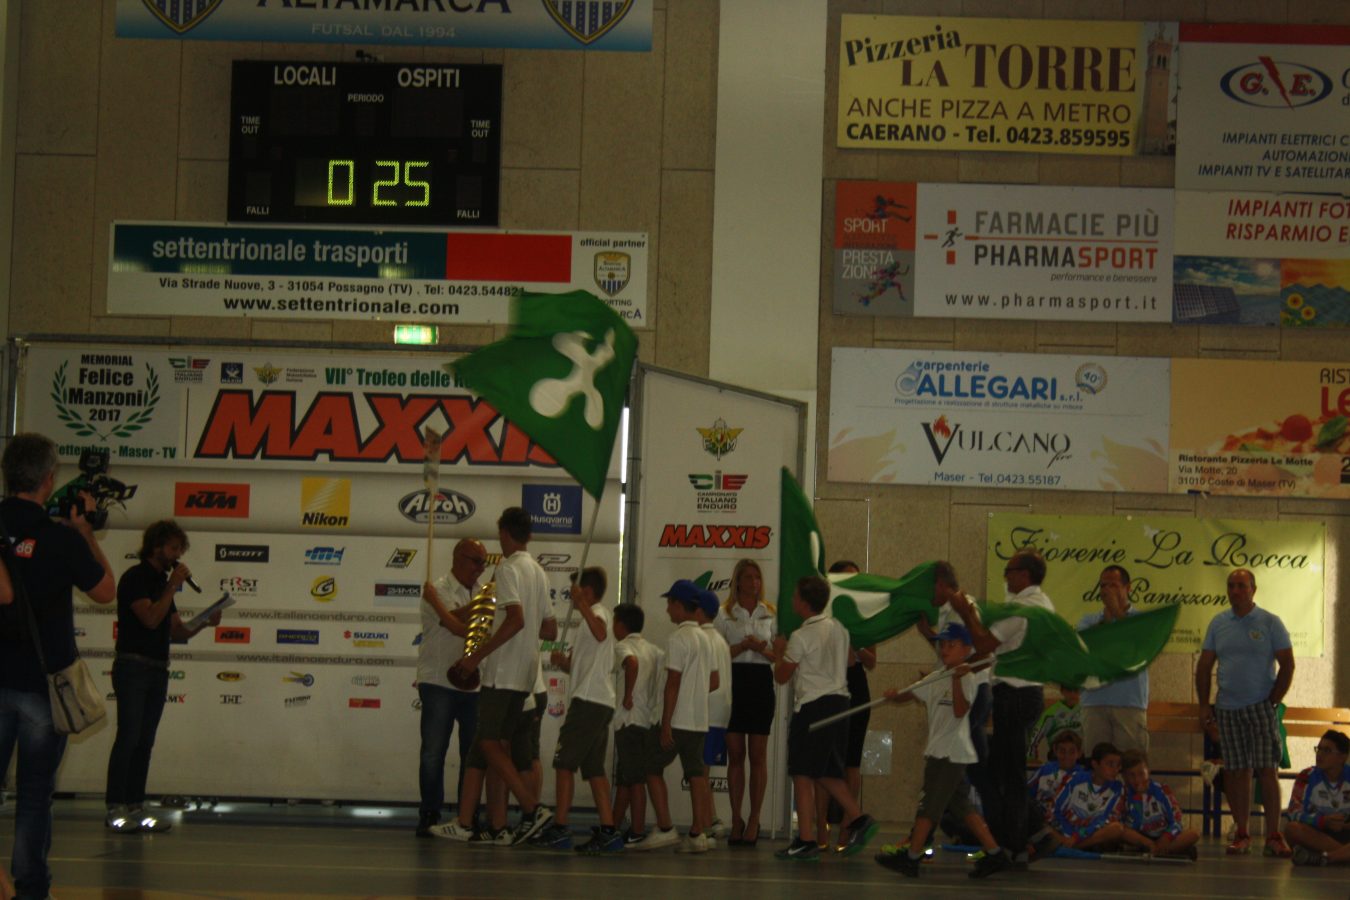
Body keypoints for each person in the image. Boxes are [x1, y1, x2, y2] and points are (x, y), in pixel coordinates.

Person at [0, 434, 115, 900]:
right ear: (49, 480)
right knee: (33, 795)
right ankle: (31, 890)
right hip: (43, 687)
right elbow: (105, 591)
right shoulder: (59, 538)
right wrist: (84, 531)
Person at [433, 507, 555, 845]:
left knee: (488, 743)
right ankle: (493, 824)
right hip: (527, 674)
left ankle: (532, 809)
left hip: (503, 673)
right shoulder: (539, 572)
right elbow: (550, 628)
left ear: (504, 533)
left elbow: (516, 619)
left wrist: (476, 656)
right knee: (493, 746)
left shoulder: (508, 568)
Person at [104, 520, 221, 834]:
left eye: (180, 549)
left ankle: (135, 805)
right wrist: (172, 587)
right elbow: (150, 618)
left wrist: (205, 622)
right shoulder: (136, 578)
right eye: (173, 548)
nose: (178, 555)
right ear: (156, 546)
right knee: (128, 737)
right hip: (133, 667)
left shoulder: (161, 583)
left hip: (157, 668)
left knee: (145, 740)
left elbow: (176, 631)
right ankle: (115, 806)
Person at [874, 622, 1010, 879]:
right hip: (939, 750)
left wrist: (957, 680)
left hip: (950, 753)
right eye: (942, 644)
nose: (944, 649)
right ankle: (995, 853)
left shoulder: (967, 678)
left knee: (929, 806)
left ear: (966, 649)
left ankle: (911, 858)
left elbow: (960, 711)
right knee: (963, 807)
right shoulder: (937, 677)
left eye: (951, 644)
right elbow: (911, 694)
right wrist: (895, 695)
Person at [948, 548, 1054, 863]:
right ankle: (1031, 835)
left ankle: (1016, 845)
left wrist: (966, 611)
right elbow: (996, 653)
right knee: (1002, 770)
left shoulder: (1022, 608)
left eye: (1010, 570)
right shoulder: (1043, 604)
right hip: (1028, 692)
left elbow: (984, 644)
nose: (1006, 576)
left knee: (1008, 775)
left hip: (1015, 693)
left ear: (1025, 574)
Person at [769, 575, 877, 862]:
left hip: (814, 706)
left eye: (795, 596)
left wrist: (779, 653)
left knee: (802, 772)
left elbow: (782, 676)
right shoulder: (839, 628)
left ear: (804, 603)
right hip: (841, 703)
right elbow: (851, 662)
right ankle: (857, 819)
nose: (792, 600)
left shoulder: (801, 636)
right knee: (826, 771)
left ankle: (808, 839)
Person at [1195, 567, 1295, 857]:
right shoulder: (1218, 623)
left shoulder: (1270, 622)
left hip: (1260, 707)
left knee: (1267, 770)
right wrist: (1204, 705)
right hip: (1227, 709)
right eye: (1231, 586)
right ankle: (1242, 833)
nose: (1235, 591)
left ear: (1253, 590)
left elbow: (1288, 665)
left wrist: (1272, 701)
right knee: (1236, 772)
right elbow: (1204, 666)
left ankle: (1274, 835)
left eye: (1241, 586)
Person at [531, 567, 621, 853]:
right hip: (598, 701)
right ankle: (609, 831)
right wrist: (564, 663)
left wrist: (581, 604)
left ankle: (560, 828)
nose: (571, 596)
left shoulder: (598, 613)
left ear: (587, 591)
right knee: (594, 769)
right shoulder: (589, 620)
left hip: (589, 702)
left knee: (564, 763)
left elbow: (601, 633)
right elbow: (585, 663)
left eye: (576, 591)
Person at [416, 538, 489, 837]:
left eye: (484, 563)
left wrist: (449, 609)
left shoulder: (476, 593)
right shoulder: (438, 589)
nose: (481, 568)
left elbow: (461, 623)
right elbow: (458, 627)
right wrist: (479, 606)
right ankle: (429, 813)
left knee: (473, 755)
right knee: (433, 752)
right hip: (438, 682)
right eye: (476, 561)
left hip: (474, 684)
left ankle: (466, 816)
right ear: (459, 558)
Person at [608, 604, 678, 851]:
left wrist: (628, 695)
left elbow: (632, 663)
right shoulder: (654, 649)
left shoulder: (622, 646)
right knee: (627, 777)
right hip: (646, 719)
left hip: (628, 720)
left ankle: (637, 831)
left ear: (620, 625)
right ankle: (612, 826)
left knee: (635, 779)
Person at [715, 558, 774, 846]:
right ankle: (736, 818)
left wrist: (761, 649)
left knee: (758, 755)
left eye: (757, 577)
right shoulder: (724, 612)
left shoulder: (770, 612)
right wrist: (741, 646)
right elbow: (716, 654)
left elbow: (781, 656)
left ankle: (754, 818)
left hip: (761, 683)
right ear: (737, 581)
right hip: (734, 682)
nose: (754, 582)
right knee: (736, 754)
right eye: (748, 577)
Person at [818, 559, 876, 852]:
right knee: (823, 761)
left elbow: (872, 661)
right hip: (828, 685)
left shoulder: (865, 614)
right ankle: (819, 828)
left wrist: (856, 645)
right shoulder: (824, 612)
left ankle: (847, 827)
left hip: (856, 686)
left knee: (851, 761)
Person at [656, 579, 716, 853]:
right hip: (699, 719)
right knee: (697, 774)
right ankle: (697, 832)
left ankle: (665, 828)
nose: (667, 609)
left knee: (648, 766)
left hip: (679, 719)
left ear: (679, 605)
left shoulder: (678, 638)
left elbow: (673, 683)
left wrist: (666, 723)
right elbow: (713, 681)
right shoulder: (706, 638)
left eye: (670, 603)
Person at [1077, 566, 1149, 755]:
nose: (1106, 590)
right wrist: (1108, 622)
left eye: (1113, 585)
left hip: (1129, 703)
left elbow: (1135, 650)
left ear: (1128, 588)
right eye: (1103, 586)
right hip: (1094, 702)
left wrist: (1117, 612)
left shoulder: (1143, 620)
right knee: (1095, 763)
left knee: (1131, 763)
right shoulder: (1087, 621)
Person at [1282, 729, 1350, 867]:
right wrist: (1322, 821)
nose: (1320, 754)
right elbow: (1293, 812)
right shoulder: (1306, 776)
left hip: (1345, 834)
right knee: (1292, 829)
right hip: (1317, 834)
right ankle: (1342, 855)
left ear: (1342, 757)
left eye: (1327, 750)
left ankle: (1325, 858)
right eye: (1318, 749)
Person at [695, 588, 732, 841]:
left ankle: (705, 826)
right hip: (719, 713)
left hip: (705, 712)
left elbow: (710, 680)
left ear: (698, 611)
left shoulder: (702, 638)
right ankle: (712, 819)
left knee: (699, 772)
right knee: (702, 770)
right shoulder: (719, 639)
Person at [1048, 742, 1128, 852]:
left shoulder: (1118, 788)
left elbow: (1105, 819)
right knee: (1044, 825)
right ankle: (1068, 845)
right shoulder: (1075, 779)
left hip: (1091, 835)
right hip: (1066, 830)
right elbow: (1055, 809)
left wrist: (1077, 837)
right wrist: (1068, 834)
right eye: (1110, 764)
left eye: (1118, 766)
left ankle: (1074, 848)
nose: (1115, 770)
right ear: (1095, 764)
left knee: (1116, 828)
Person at [1120, 749, 1200, 859]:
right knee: (1120, 830)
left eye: (1141, 774)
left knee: (1194, 834)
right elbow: (1121, 825)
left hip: (1163, 836)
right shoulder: (1123, 794)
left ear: (1148, 771)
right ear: (1124, 777)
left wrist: (1167, 837)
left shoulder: (1162, 791)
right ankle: (1166, 851)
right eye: (1131, 775)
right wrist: (1146, 842)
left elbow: (1176, 821)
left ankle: (1156, 850)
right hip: (1139, 839)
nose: (1137, 780)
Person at [1027, 730, 1085, 825]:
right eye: (1062, 751)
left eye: (1071, 752)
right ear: (1055, 750)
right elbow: (1027, 792)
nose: (1066, 756)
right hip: (1037, 817)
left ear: (1079, 753)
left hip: (1062, 821)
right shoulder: (1045, 769)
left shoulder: (1082, 777)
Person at [1027, 687, 1082, 763]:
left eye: (1076, 690)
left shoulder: (1084, 711)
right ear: (1062, 691)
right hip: (1057, 757)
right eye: (1069, 690)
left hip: (1079, 757)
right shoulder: (1051, 713)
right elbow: (1034, 739)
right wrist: (1031, 759)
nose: (1072, 694)